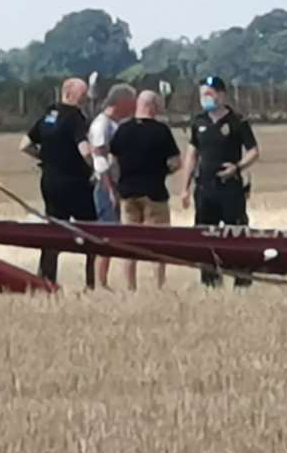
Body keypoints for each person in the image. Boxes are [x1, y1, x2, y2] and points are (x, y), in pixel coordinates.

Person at [180, 75, 260, 288]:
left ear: (221, 95)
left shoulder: (238, 121)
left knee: (237, 233)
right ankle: (210, 281)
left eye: (209, 93)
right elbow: (191, 155)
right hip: (205, 189)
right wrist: (184, 188)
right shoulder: (198, 123)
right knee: (205, 235)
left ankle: (242, 280)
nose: (205, 98)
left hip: (230, 188)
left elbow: (253, 151)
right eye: (202, 94)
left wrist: (238, 167)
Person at [20, 76, 95, 287]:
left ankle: (45, 278)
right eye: (83, 95)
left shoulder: (48, 114)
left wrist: (45, 158)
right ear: (69, 93)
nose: (85, 100)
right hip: (76, 184)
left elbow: (24, 144)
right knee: (91, 232)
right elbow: (85, 151)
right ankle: (92, 280)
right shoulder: (76, 118)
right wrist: (94, 168)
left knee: (53, 230)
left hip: (50, 182)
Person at [109, 89, 181, 291]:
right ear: (152, 106)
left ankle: (130, 286)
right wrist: (162, 173)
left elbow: (112, 160)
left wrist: (118, 182)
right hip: (154, 192)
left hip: (127, 193)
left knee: (129, 242)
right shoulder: (161, 131)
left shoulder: (122, 130)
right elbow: (176, 162)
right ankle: (159, 285)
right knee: (158, 241)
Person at [88, 83, 137, 289]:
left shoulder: (117, 124)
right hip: (107, 186)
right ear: (121, 102)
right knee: (107, 234)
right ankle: (101, 281)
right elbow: (100, 161)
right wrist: (110, 190)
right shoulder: (102, 125)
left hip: (119, 184)